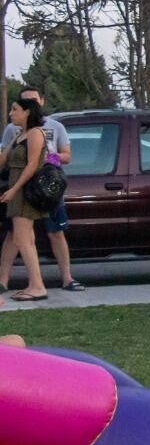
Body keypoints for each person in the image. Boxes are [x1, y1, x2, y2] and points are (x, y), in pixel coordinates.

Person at [0, 84, 82, 293]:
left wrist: (46, 157)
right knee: (16, 235)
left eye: (33, 100)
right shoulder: (13, 129)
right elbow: (5, 158)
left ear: (40, 102)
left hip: (46, 185)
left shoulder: (55, 127)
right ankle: (4, 280)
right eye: (24, 100)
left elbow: (66, 157)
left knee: (55, 232)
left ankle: (66, 278)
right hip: (21, 188)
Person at [1, 98, 51, 301]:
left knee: (22, 239)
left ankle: (38, 286)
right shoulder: (19, 134)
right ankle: (34, 284)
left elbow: (32, 165)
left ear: (27, 112)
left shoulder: (36, 133)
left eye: (15, 109)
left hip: (25, 191)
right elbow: (4, 158)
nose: (11, 113)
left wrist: (14, 189)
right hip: (17, 190)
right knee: (26, 238)